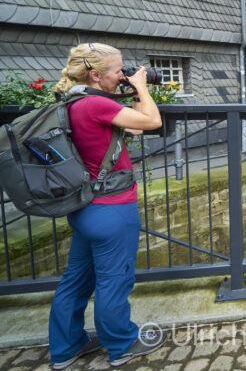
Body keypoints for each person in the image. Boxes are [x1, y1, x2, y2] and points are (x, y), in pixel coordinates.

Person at [49, 43, 165, 369]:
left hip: (85, 208)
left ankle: (66, 348)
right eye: (118, 71)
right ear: (95, 75)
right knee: (114, 281)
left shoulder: (73, 101)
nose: (123, 76)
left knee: (76, 279)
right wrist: (141, 87)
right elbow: (152, 121)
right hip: (112, 209)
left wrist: (130, 91)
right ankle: (122, 344)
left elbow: (127, 126)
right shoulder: (96, 103)